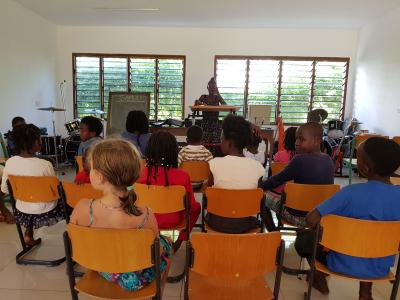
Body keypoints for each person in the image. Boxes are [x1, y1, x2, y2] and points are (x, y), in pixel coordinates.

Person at [70, 139, 171, 292]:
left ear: (99, 176)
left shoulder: (82, 208)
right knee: (166, 243)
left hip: (102, 266)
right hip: (136, 275)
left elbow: (75, 241)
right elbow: (156, 255)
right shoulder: (145, 215)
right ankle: (158, 293)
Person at [306, 137, 400, 299]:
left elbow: (311, 219)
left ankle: (318, 276)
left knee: (305, 239)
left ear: (363, 167)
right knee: (371, 240)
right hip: (380, 269)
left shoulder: (350, 192)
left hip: (339, 263)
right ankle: (365, 292)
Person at [260, 122, 334, 230]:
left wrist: (260, 186)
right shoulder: (328, 160)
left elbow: (277, 180)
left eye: (301, 139)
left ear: (317, 141)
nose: (297, 143)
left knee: (261, 195)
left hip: (298, 216)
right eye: (296, 139)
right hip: (319, 216)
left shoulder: (299, 160)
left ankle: (273, 233)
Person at [137, 131, 201, 252]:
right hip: (172, 219)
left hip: (145, 220)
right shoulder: (182, 176)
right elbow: (191, 206)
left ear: (149, 149)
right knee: (196, 207)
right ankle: (179, 241)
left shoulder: (139, 174)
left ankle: (141, 241)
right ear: (174, 152)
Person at [1, 124, 64, 245]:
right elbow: (55, 192)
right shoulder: (45, 165)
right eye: (40, 138)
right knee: (69, 201)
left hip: (21, 210)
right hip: (47, 210)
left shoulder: (9, 162)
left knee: (29, 198)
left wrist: (7, 211)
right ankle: (75, 238)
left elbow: (4, 189)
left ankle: (28, 234)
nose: (41, 141)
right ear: (35, 142)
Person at [206, 115, 266, 233]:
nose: (220, 141)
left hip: (218, 223)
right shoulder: (257, 167)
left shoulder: (214, 164)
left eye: (221, 138)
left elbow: (208, 191)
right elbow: (256, 193)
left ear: (229, 143)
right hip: (245, 224)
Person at [195, 77, 226, 144]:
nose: (212, 89)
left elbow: (224, 105)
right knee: (204, 143)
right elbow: (196, 103)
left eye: (214, 87)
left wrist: (218, 93)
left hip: (215, 124)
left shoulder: (217, 97)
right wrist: (200, 103)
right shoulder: (203, 97)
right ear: (208, 88)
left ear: (216, 88)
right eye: (211, 87)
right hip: (205, 123)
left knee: (216, 143)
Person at [271, 126, 297, 193]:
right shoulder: (302, 158)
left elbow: (272, 174)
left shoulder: (278, 155)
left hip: (277, 191)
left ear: (286, 140)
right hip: (294, 192)